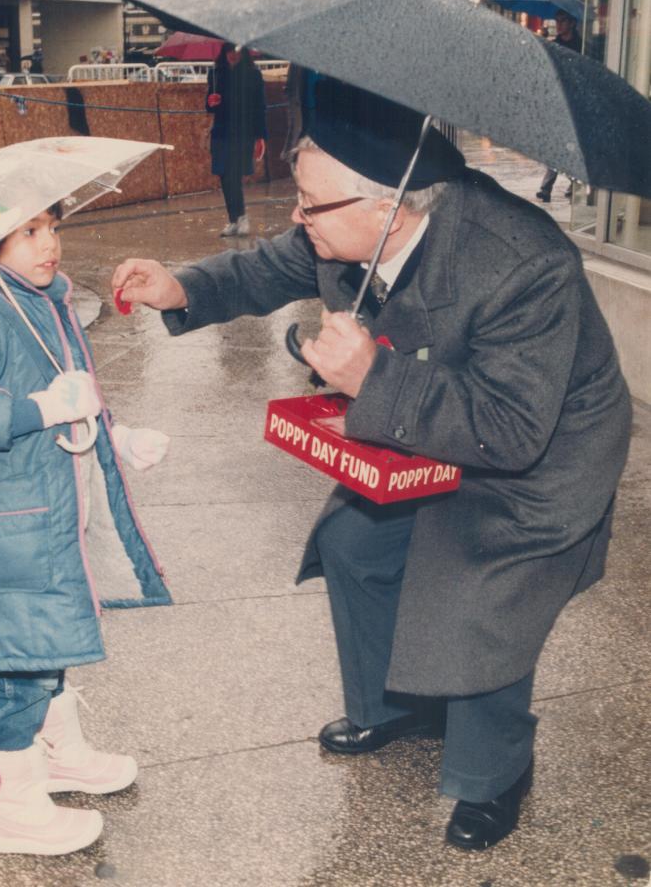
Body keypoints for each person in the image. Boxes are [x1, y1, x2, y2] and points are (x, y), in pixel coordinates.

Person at [112, 77, 631, 852]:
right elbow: (269, 265)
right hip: (426, 421)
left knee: (475, 596)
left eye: (310, 205)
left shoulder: (523, 264)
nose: (297, 216)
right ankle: (398, 707)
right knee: (356, 546)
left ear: (393, 207)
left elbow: (513, 428)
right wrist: (181, 283)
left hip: (539, 455)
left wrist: (370, 380)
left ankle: (494, 775)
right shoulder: (346, 223)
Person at [0, 203, 171, 856]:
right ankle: (11, 804)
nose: (48, 243)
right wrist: (42, 407)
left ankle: (59, 753)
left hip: (44, 517)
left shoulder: (43, 301)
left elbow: (76, 393)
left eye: (52, 227)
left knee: (44, 649)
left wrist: (117, 433)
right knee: (21, 669)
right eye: (28, 232)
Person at [206, 42, 267, 237]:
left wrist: (260, 136)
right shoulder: (216, 75)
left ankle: (241, 217)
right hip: (222, 131)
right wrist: (211, 102)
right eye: (229, 52)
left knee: (233, 174)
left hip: (243, 131)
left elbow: (259, 106)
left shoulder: (252, 75)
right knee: (224, 175)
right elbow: (210, 106)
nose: (232, 55)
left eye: (236, 52)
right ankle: (234, 219)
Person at [537, 9, 582, 202]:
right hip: (559, 101)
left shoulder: (582, 47)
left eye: (563, 21)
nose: (559, 24)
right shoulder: (554, 46)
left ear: (572, 23)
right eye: (557, 20)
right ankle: (547, 188)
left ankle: (574, 183)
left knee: (576, 145)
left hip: (577, 103)